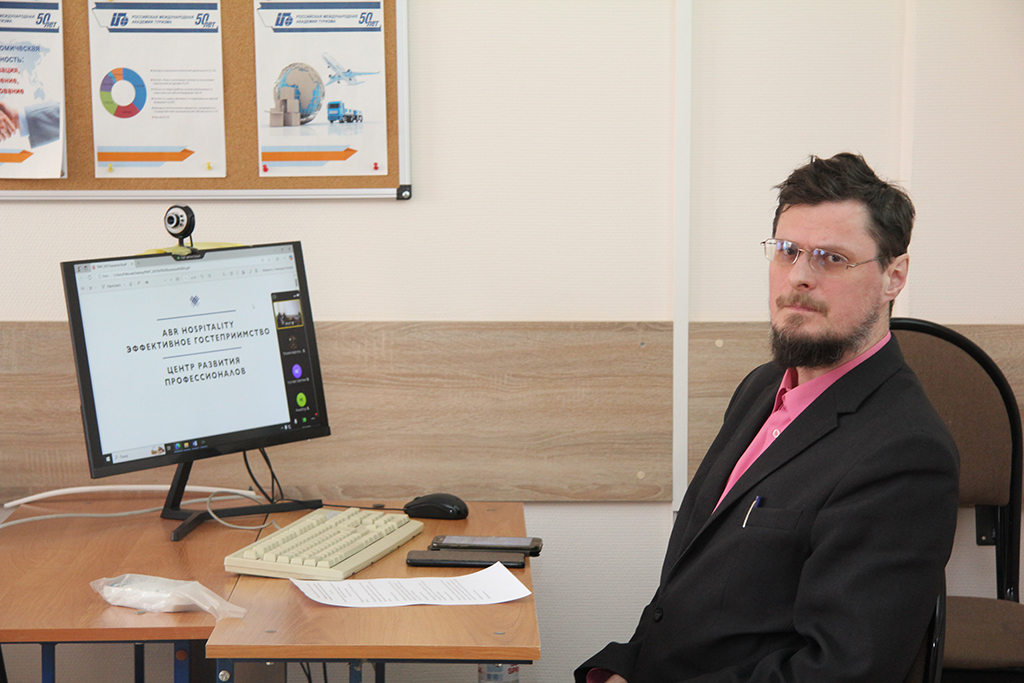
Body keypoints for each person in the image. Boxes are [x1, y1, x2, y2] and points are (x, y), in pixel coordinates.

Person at [576, 153, 959, 683]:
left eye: (831, 258)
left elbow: (840, 672)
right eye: (787, 251)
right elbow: (687, 590)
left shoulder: (906, 454)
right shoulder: (762, 387)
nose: (798, 277)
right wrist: (623, 667)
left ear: (894, 277)